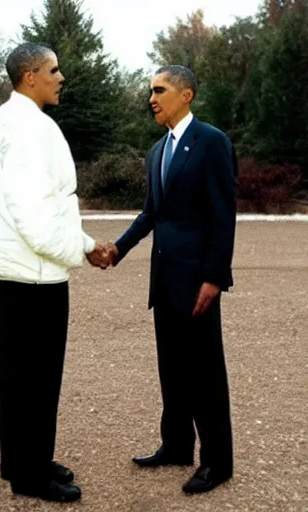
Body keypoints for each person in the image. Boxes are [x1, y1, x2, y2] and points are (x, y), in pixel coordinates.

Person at [0, 42, 109, 503]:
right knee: (34, 378)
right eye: (53, 69)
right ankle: (30, 476)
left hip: (23, 270)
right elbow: (34, 216)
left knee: (21, 376)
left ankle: (25, 459)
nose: (61, 76)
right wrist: (79, 252)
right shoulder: (27, 128)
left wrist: (86, 244)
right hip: (33, 274)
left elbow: (46, 209)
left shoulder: (9, 121)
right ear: (29, 76)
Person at [107, 65, 237, 494]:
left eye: (159, 89)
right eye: (150, 91)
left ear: (187, 94)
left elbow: (223, 215)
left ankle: (217, 462)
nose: (152, 98)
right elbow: (151, 213)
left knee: (205, 373)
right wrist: (117, 250)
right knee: (173, 369)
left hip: (198, 281)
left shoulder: (212, 142)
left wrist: (215, 277)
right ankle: (177, 445)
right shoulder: (156, 150)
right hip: (164, 280)